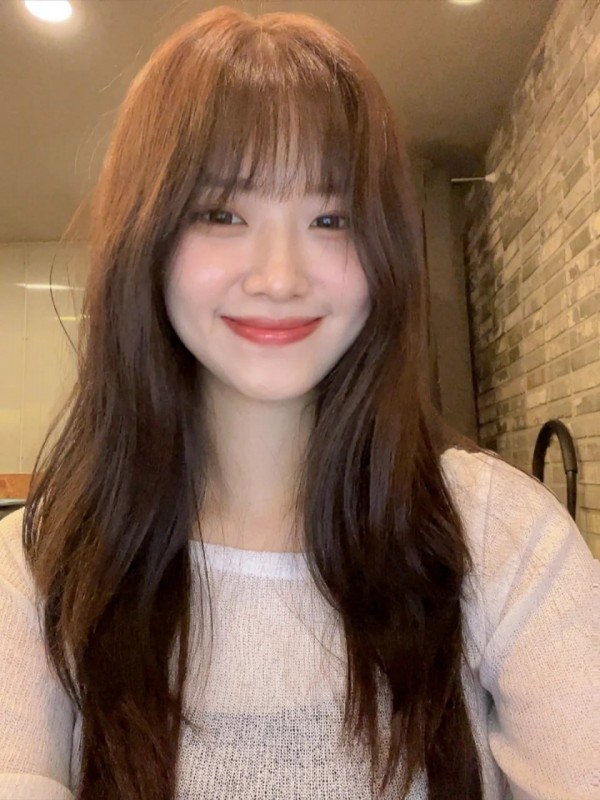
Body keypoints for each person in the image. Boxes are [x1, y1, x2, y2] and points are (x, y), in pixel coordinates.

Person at [0, 6, 597, 800]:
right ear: (147, 241)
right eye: (222, 213)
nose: (280, 277)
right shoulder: (41, 568)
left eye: (331, 218)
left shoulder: (503, 537)